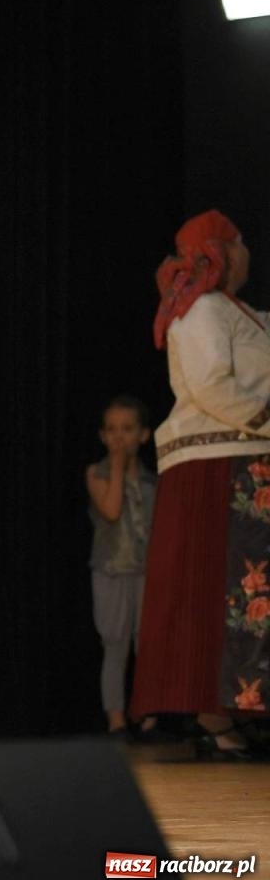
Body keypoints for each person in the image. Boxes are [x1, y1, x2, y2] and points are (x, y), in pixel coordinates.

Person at [130, 211, 270, 760]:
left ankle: (236, 705)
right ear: (224, 251)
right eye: (240, 244)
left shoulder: (241, 314)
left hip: (243, 463)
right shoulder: (201, 309)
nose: (248, 254)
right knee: (215, 591)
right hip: (215, 467)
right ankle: (213, 714)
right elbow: (213, 387)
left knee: (241, 593)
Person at [85, 395, 156, 736]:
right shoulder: (96, 473)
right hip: (111, 570)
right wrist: (116, 465)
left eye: (127, 429)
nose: (119, 437)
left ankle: (149, 716)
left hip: (146, 572)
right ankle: (116, 720)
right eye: (111, 430)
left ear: (143, 434)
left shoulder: (152, 480)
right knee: (115, 644)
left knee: (148, 645)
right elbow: (111, 510)